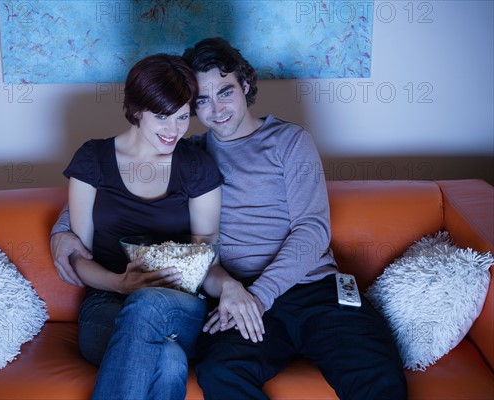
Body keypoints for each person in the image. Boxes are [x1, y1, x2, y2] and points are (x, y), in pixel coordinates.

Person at [52, 38, 407, 399]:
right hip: (233, 295)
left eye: (225, 92)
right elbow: (118, 187)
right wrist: (63, 229)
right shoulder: (192, 153)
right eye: (202, 101)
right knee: (222, 374)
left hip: (309, 289)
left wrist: (258, 295)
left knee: (375, 374)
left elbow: (312, 230)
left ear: (246, 86)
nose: (216, 109)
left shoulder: (289, 140)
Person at [56, 53, 223, 400]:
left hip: (181, 304)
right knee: (170, 360)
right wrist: (120, 283)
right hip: (106, 302)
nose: (174, 130)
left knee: (148, 303)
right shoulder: (93, 160)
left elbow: (207, 252)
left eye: (182, 117)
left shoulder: (196, 166)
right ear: (136, 109)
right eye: (162, 116)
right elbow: (79, 256)